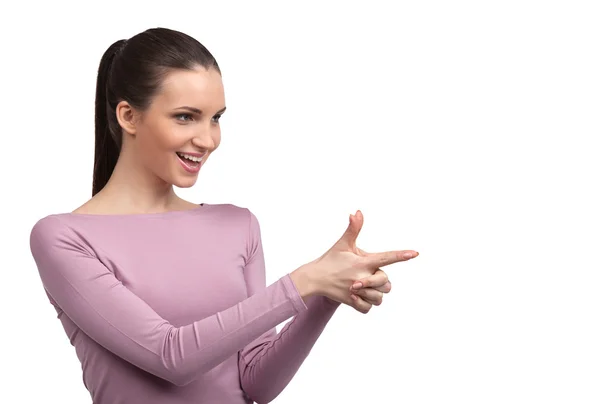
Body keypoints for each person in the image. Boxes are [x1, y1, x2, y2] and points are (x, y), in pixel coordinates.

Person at [29, 27, 419, 404]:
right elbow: (171, 358)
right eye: (186, 116)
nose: (208, 139)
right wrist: (304, 282)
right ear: (129, 116)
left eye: (215, 118)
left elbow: (256, 384)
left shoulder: (238, 225)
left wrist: (327, 291)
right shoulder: (64, 237)